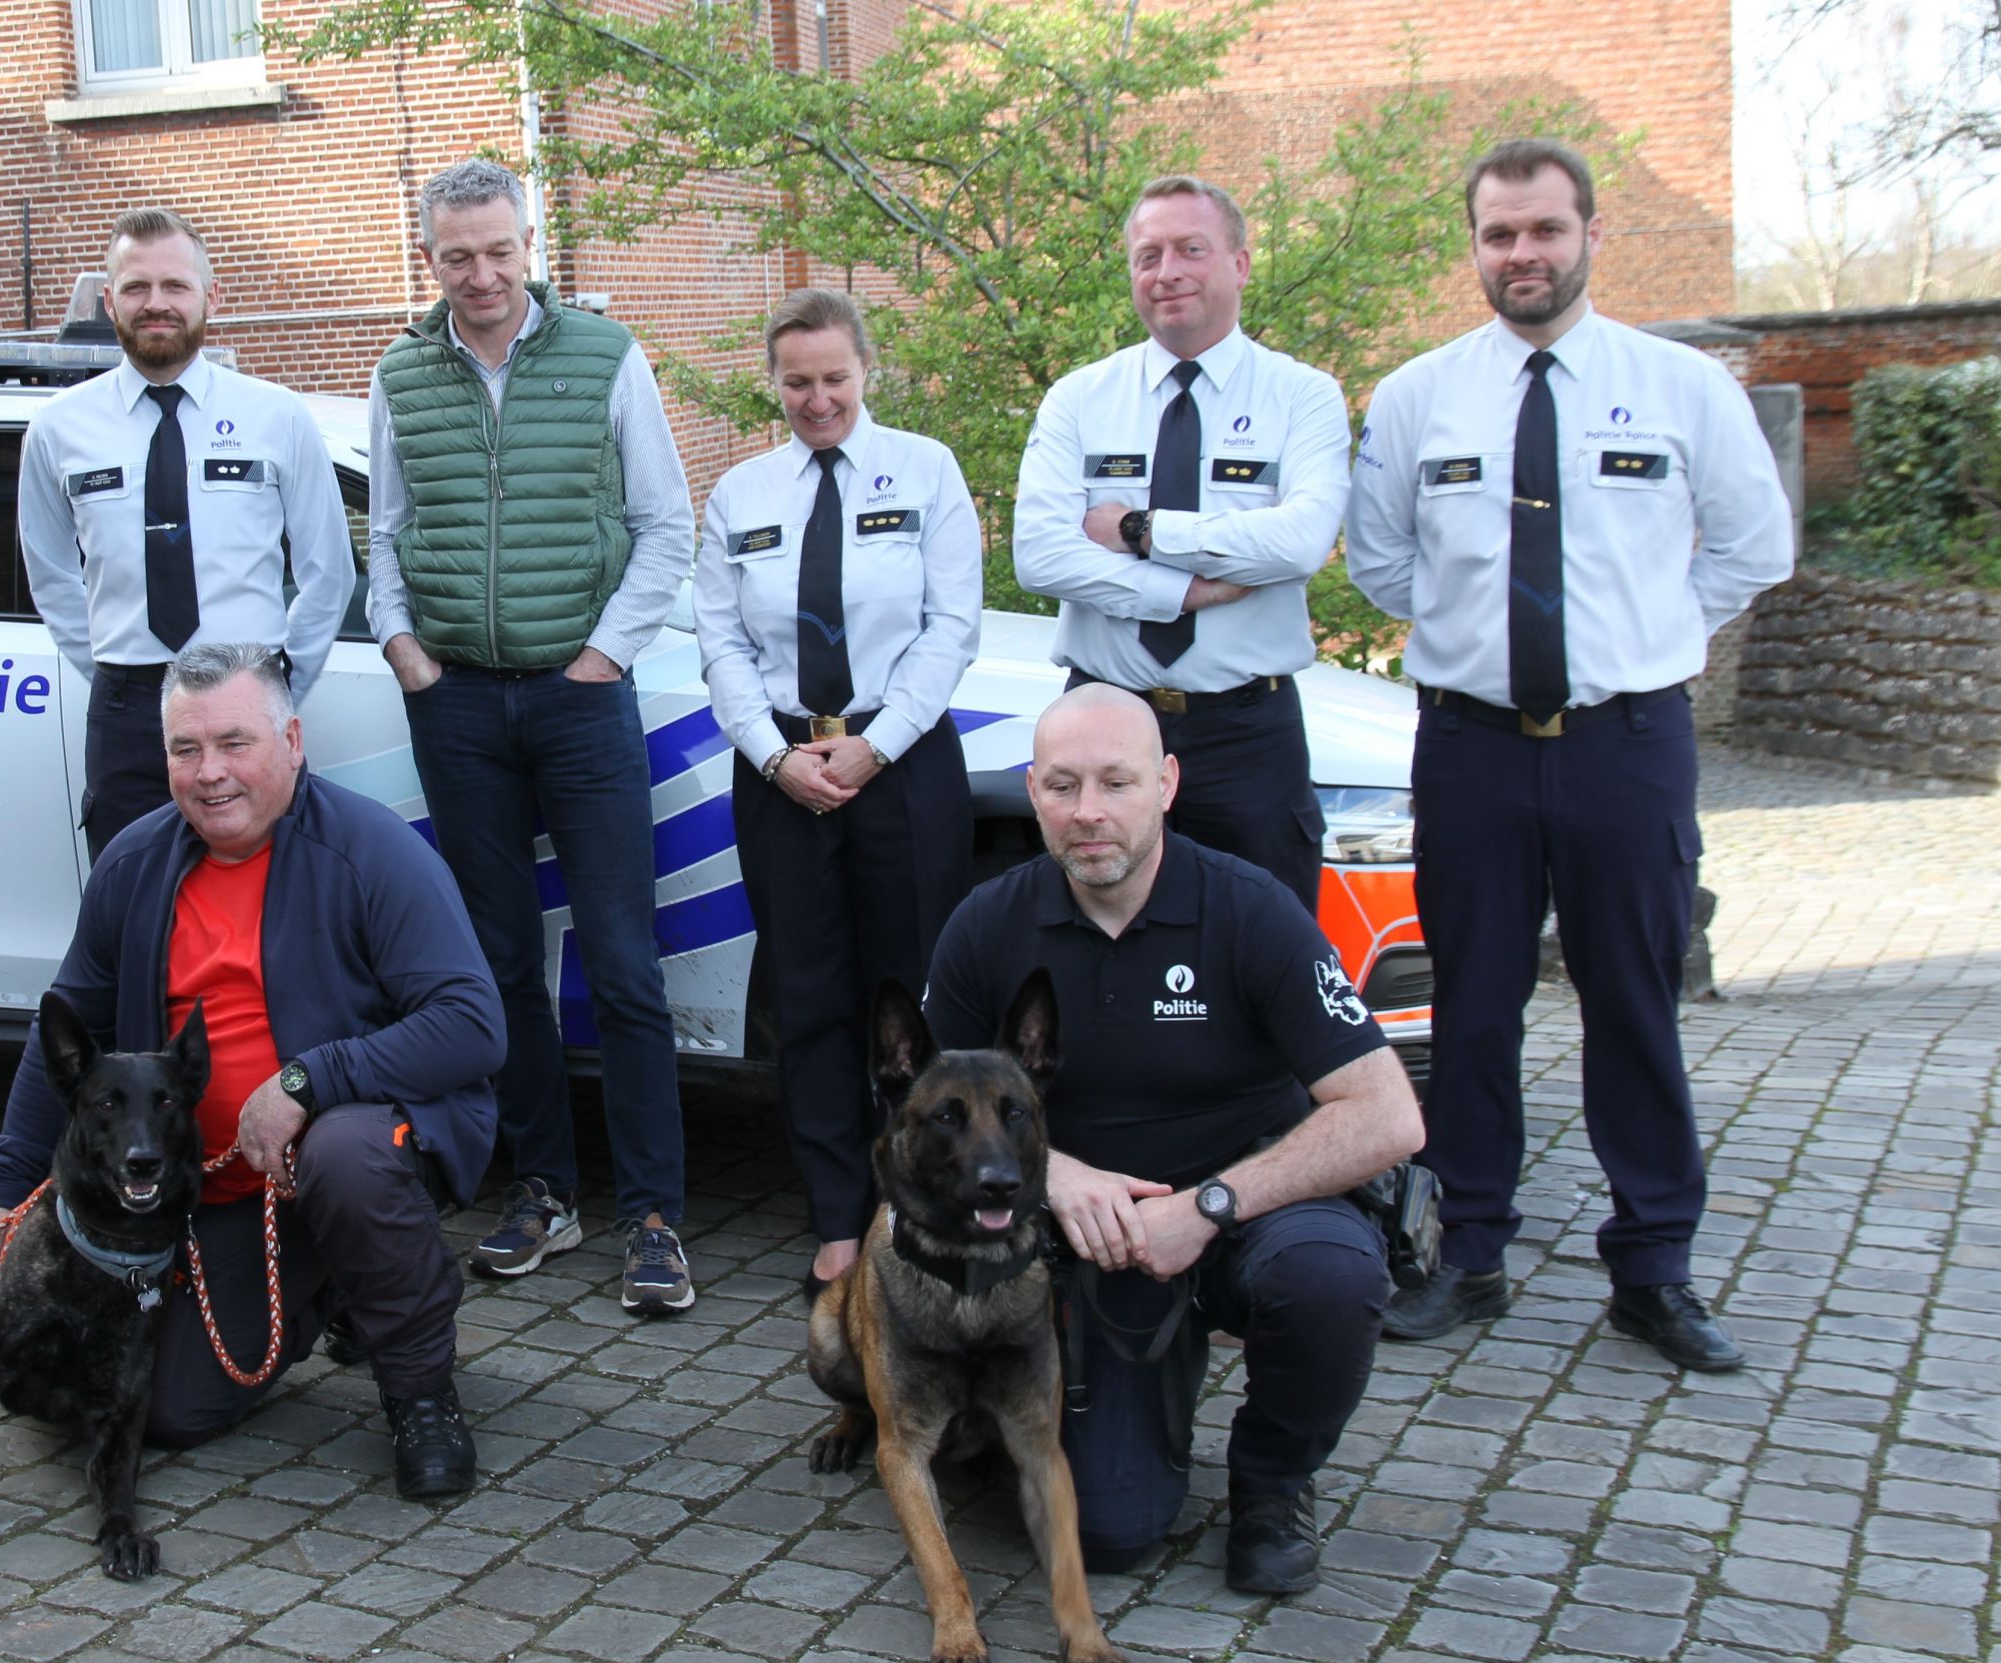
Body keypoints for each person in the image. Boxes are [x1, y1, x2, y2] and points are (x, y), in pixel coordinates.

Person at [1344, 139, 1793, 1371]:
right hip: (1472, 746)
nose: (1521, 254)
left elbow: (1754, 547)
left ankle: (1653, 1267)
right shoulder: (1417, 396)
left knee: (1631, 1006)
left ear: (1591, 234)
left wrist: (1647, 634)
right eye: (1498, 235)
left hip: (1625, 745)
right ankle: (1469, 1249)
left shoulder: (1680, 385)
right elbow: (1379, 561)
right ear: (1474, 250)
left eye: (1543, 230)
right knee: (1472, 1008)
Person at [0, 643, 505, 1496]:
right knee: (164, 1409)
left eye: (234, 743)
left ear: (291, 739)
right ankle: (330, 1288)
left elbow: (472, 1026)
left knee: (345, 1154)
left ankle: (420, 1385)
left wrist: (305, 1081)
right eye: (186, 749)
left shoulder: (375, 851)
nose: (210, 774)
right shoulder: (134, 864)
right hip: (204, 1189)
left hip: (351, 1151)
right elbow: (67, 1032)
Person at [923, 684, 1424, 1593]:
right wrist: (1052, 1176)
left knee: (1332, 1276)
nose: (1089, 813)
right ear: (1032, 791)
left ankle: (1274, 1480)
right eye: (1063, 785)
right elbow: (921, 1110)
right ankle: (1095, 1406)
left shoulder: (1250, 909)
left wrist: (1210, 1206)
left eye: (1117, 782)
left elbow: (1388, 1114)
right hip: (1087, 1242)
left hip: (1246, 1207)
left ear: (1167, 783)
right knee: (1110, 1535)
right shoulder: (986, 924)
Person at [364, 160, 702, 1316]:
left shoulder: (606, 355)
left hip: (579, 697)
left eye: (498, 250)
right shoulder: (402, 372)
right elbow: (387, 533)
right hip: (456, 703)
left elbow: (666, 523)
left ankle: (653, 1215)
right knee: (497, 961)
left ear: (528, 243)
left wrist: (604, 653)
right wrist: (404, 650)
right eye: (457, 255)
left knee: (622, 960)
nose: (481, 274)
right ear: (430, 259)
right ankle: (543, 1190)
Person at [693, 288, 983, 1300]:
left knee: (911, 988)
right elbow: (720, 645)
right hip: (780, 769)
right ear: (772, 384)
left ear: (867, 371)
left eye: (833, 379)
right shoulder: (739, 494)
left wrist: (877, 746)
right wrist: (778, 761)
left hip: (900, 765)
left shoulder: (927, 471)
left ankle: (928, 1201)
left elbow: (951, 624)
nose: (817, 400)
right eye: (796, 382)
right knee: (808, 998)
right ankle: (834, 1216)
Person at [1011, 174, 1352, 916]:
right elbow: (1039, 554)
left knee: (1267, 949)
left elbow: (1298, 542)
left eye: (1191, 249)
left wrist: (1143, 531)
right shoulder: (1080, 398)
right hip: (1105, 725)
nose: (1167, 273)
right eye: (1148, 255)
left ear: (1240, 262)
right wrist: (1184, 589)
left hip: (1246, 735)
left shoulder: (1304, 396)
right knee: (1100, 946)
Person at [19, 209, 355, 860]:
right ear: (109, 301)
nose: (157, 304)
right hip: (128, 706)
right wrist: (116, 676)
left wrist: (276, 689)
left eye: (175, 286)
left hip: (250, 692)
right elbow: (51, 574)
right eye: (137, 288)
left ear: (210, 296)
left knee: (269, 903)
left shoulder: (277, 416)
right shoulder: (57, 430)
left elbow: (329, 572)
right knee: (135, 905)